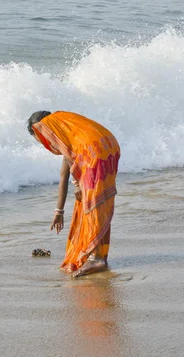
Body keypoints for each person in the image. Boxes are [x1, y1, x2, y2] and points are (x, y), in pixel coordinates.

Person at [27, 111, 120, 278]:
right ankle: (97, 255)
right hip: (108, 144)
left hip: (94, 150)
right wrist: (58, 211)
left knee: (93, 202)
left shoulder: (49, 125)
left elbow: (71, 173)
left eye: (39, 138)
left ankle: (97, 258)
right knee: (99, 200)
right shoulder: (70, 133)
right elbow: (64, 175)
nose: (43, 143)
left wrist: (79, 184)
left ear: (39, 129)